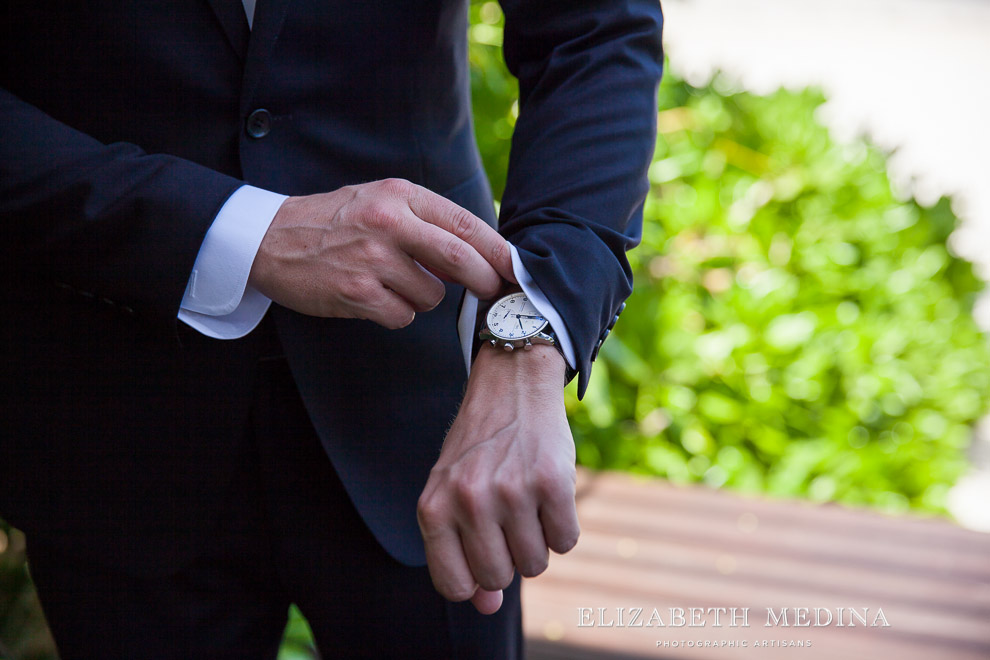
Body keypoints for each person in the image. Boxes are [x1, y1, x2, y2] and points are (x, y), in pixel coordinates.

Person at [0, 0, 664, 657]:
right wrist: (241, 231)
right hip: (104, 413)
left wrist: (528, 340)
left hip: (430, 414)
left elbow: (593, 27)